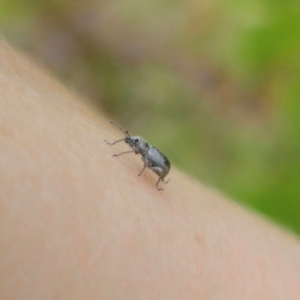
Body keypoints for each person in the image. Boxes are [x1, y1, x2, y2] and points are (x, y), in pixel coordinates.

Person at [1, 40, 300, 299]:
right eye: (130, 143)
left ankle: (157, 182)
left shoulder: (147, 155)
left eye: (132, 143)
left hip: (163, 167)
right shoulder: (136, 144)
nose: (131, 144)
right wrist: (117, 144)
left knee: (151, 166)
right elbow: (127, 144)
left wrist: (154, 176)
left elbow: (156, 163)